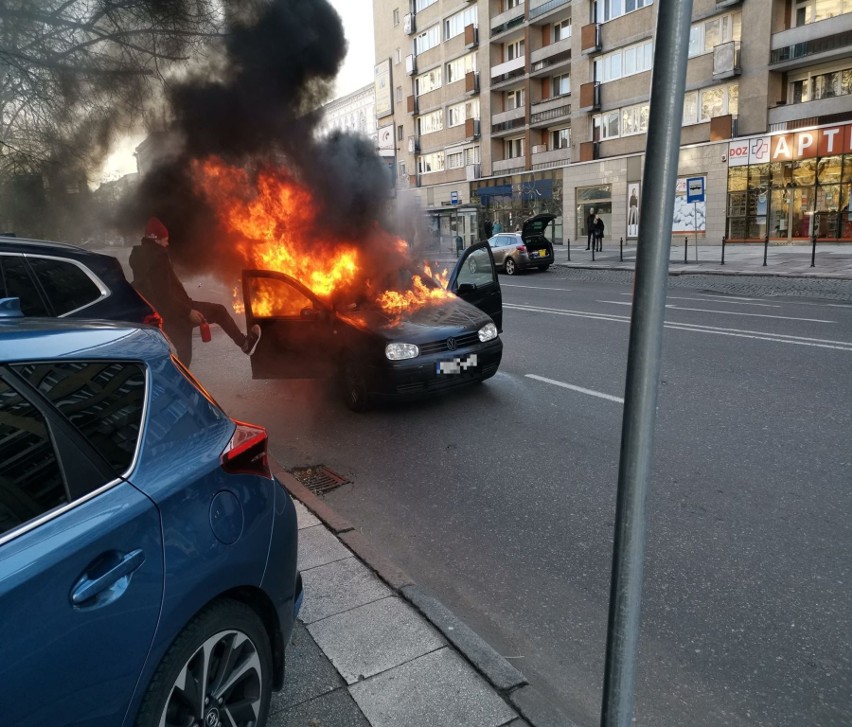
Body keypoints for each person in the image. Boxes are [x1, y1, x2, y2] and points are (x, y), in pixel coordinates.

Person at [129, 217, 260, 367]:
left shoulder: (140, 256)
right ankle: (245, 344)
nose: (168, 243)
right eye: (165, 240)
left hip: (165, 314)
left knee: (184, 358)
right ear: (156, 240)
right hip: (176, 314)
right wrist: (188, 311)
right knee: (219, 312)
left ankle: (171, 384)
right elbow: (163, 295)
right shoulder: (158, 258)